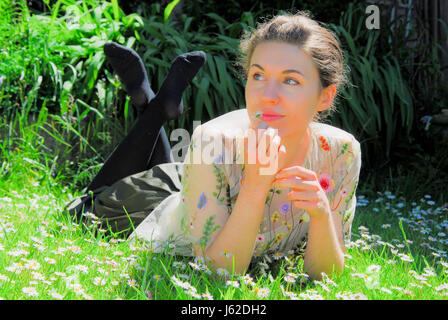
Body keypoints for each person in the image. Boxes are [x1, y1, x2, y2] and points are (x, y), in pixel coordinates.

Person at [65, 11, 362, 281]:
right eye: (258, 75)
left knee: (169, 166)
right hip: (154, 203)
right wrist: (255, 188)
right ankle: (154, 111)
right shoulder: (213, 140)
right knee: (92, 200)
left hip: (199, 181)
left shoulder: (339, 154)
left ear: (325, 97)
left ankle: (153, 105)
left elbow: (326, 276)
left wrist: (323, 214)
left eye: (291, 81)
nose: (267, 95)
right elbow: (217, 273)